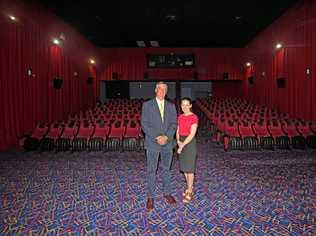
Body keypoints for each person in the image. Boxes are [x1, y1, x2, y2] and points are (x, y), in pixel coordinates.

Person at [141, 82, 177, 211]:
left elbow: (174, 124)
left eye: (164, 89)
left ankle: (167, 193)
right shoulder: (147, 105)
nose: (162, 91)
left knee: (166, 169)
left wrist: (166, 137)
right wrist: (157, 137)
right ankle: (150, 197)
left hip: (167, 143)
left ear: (166, 91)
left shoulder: (171, 106)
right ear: (156, 90)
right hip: (152, 142)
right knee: (152, 170)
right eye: (160, 88)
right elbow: (144, 125)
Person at [176, 97, 198, 203]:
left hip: (189, 143)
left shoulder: (194, 117)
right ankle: (190, 187)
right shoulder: (180, 117)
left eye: (186, 104)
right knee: (184, 168)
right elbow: (178, 130)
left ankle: (189, 190)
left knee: (190, 169)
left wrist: (182, 145)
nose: (184, 107)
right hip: (181, 141)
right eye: (182, 105)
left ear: (190, 106)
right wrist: (178, 141)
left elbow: (192, 134)